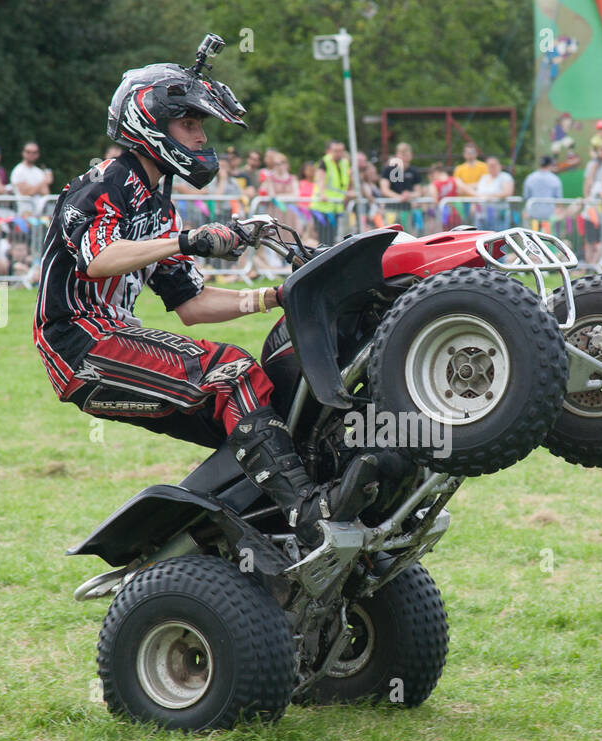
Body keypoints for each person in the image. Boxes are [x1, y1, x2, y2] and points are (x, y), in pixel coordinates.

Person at [33, 56, 378, 546]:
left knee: (267, 415)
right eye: (189, 123)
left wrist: (276, 297)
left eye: (201, 126)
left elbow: (192, 303)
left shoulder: (158, 205)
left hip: (111, 336)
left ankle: (262, 539)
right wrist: (188, 241)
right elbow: (98, 257)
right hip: (79, 341)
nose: (200, 137)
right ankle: (308, 513)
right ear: (148, 122)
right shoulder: (105, 182)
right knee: (230, 373)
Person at [310, 139, 352, 244]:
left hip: (335, 207)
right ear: (330, 151)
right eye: (335, 150)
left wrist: (348, 194)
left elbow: (344, 182)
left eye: (340, 151)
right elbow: (320, 179)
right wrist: (323, 193)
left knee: (332, 238)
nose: (338, 153)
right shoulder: (325, 161)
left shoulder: (344, 163)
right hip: (322, 208)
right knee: (323, 239)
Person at [10, 141, 54, 215]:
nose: (31, 155)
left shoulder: (38, 171)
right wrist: (44, 181)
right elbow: (26, 193)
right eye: (28, 152)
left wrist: (33, 189)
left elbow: (46, 192)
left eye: (34, 152)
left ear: (38, 154)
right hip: (25, 213)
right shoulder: (18, 170)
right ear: (23, 153)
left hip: (40, 213)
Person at [522, 155, 564, 223]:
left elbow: (526, 196)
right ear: (550, 165)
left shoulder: (530, 177)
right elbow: (558, 199)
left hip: (532, 213)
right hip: (549, 215)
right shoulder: (555, 179)